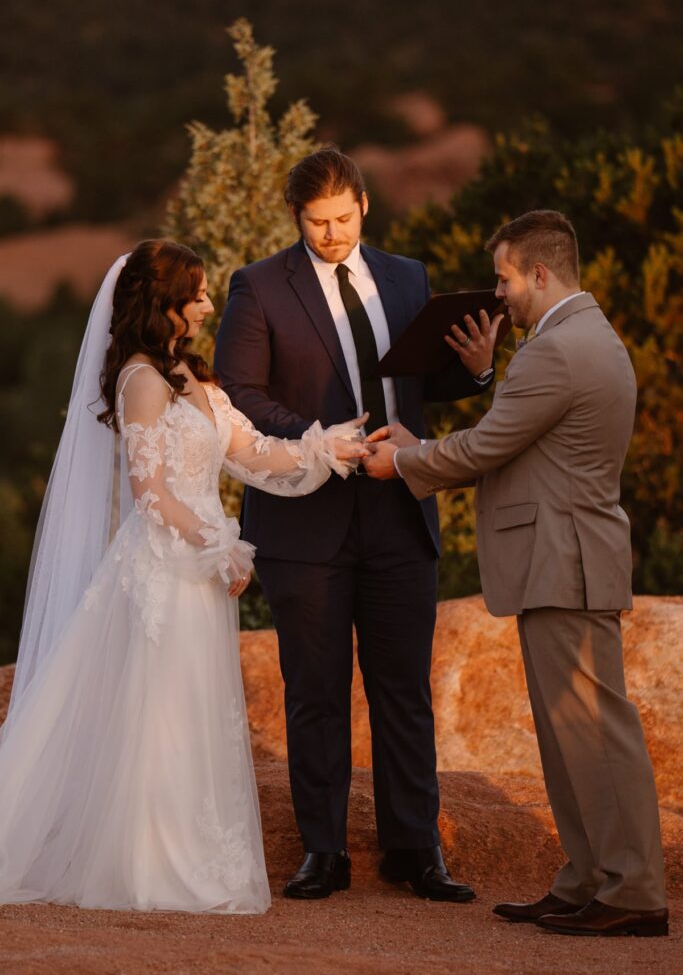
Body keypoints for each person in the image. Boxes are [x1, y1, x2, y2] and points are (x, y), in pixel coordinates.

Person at [0, 239, 367, 915]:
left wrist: (324, 448)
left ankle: (193, 854)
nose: (205, 304)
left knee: (194, 712)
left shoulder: (191, 377)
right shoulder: (139, 380)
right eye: (194, 293)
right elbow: (151, 493)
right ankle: (144, 865)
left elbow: (252, 453)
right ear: (162, 302)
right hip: (162, 570)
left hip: (198, 570)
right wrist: (219, 544)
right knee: (158, 716)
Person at [364, 209, 669, 937]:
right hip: (569, 558)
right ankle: (587, 878)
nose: (495, 294)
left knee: (594, 730)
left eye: (502, 277)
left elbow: (485, 449)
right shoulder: (587, 338)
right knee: (574, 733)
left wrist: (402, 461)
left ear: (538, 272)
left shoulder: (553, 351)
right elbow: (514, 450)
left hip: (561, 561)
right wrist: (426, 443)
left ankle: (630, 890)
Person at [215, 146, 498, 901]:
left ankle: (415, 852)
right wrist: (318, 441)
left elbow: (423, 384)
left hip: (400, 513)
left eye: (341, 219)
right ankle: (323, 852)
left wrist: (474, 369)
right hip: (303, 523)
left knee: (403, 689)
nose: (329, 234)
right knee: (314, 692)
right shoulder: (258, 285)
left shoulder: (407, 277)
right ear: (295, 216)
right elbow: (238, 392)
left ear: (364, 205)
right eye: (315, 223)